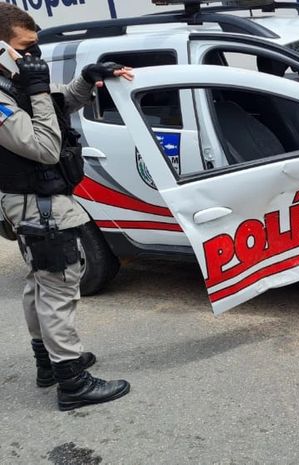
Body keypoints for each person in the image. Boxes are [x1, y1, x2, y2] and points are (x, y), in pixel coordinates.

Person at [0, 3, 134, 411]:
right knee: (58, 285)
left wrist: (85, 80)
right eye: (24, 48)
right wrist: (39, 91)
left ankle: (50, 364)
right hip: (37, 204)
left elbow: (56, 109)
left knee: (40, 283)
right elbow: (44, 147)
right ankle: (72, 382)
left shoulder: (11, 79)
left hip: (35, 201)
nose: (32, 56)